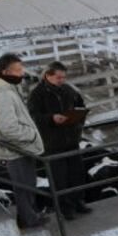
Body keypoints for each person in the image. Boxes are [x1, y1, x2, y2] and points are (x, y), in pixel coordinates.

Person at [0, 53, 47, 229]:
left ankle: (30, 215)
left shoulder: (1, 88)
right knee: (24, 185)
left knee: (27, 183)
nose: (22, 73)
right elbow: (9, 128)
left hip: (12, 147)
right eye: (18, 70)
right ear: (5, 71)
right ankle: (29, 220)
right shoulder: (3, 95)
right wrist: (30, 135)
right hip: (16, 148)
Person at [27, 61, 91, 220]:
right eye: (58, 77)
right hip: (52, 143)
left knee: (77, 173)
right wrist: (51, 118)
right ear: (47, 75)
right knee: (59, 177)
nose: (62, 80)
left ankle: (78, 201)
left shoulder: (68, 90)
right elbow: (33, 117)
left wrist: (79, 119)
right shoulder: (36, 94)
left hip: (71, 139)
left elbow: (80, 105)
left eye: (64, 77)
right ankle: (65, 208)